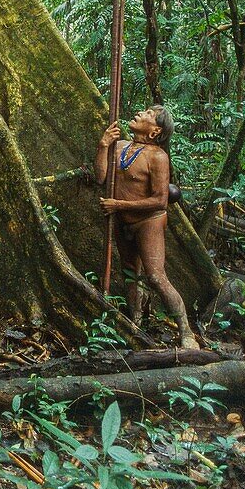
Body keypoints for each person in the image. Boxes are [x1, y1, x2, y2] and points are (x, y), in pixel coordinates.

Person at [95, 105, 198, 349]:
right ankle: (135, 325)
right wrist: (103, 145)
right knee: (130, 274)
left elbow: (160, 200)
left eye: (149, 114)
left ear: (154, 132)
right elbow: (101, 178)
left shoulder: (157, 156)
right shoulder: (119, 146)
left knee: (155, 276)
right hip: (121, 219)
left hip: (147, 221)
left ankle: (187, 333)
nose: (142, 113)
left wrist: (118, 204)